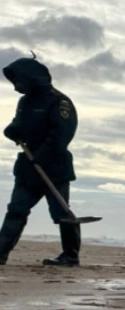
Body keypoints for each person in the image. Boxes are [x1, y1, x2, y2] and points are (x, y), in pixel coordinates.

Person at [0, 57, 79, 266]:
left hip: (54, 168)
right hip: (28, 166)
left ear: (31, 78)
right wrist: (13, 130)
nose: (16, 86)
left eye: (18, 81)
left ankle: (70, 256)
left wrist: (41, 158)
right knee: (16, 209)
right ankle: (0, 252)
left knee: (62, 213)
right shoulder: (25, 102)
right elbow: (20, 125)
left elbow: (61, 135)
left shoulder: (59, 102)